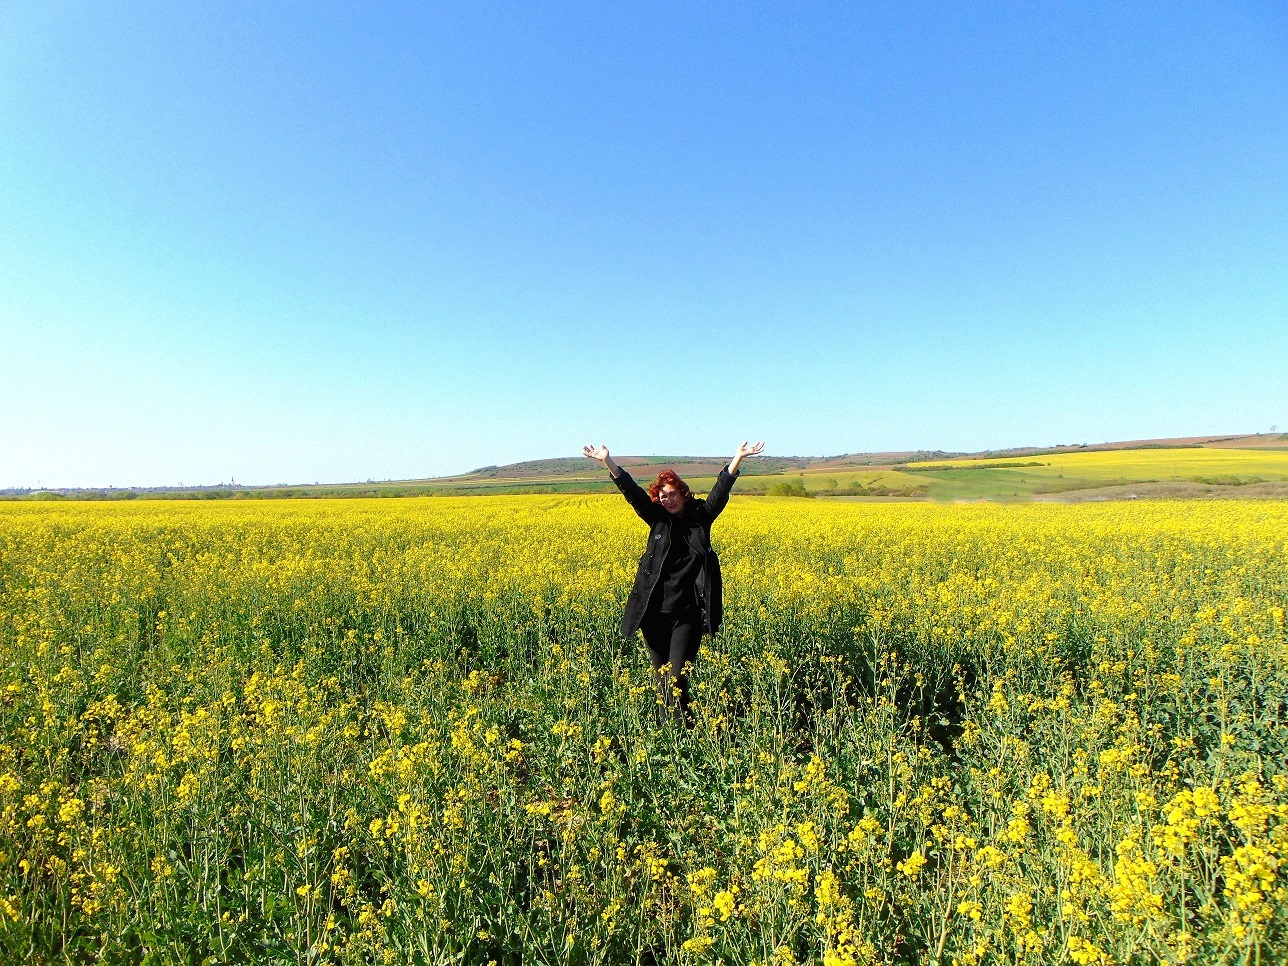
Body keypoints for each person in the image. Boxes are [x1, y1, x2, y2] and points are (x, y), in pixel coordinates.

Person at [582, 441, 765, 722]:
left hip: (687, 613)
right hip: (653, 613)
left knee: (677, 677)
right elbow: (632, 493)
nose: (669, 499)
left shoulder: (700, 517)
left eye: (673, 493)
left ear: (683, 493)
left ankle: (682, 733)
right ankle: (667, 732)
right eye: (663, 496)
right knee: (662, 680)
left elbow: (720, 492)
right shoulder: (655, 519)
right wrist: (609, 462)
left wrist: (737, 458)